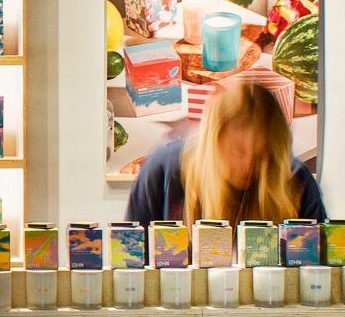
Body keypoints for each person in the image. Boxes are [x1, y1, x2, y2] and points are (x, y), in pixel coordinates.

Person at [124, 79, 327, 225]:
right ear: (213, 141)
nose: (248, 164)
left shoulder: (295, 179)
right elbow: (132, 262)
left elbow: (319, 270)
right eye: (237, 151)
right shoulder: (163, 171)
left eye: (260, 156)